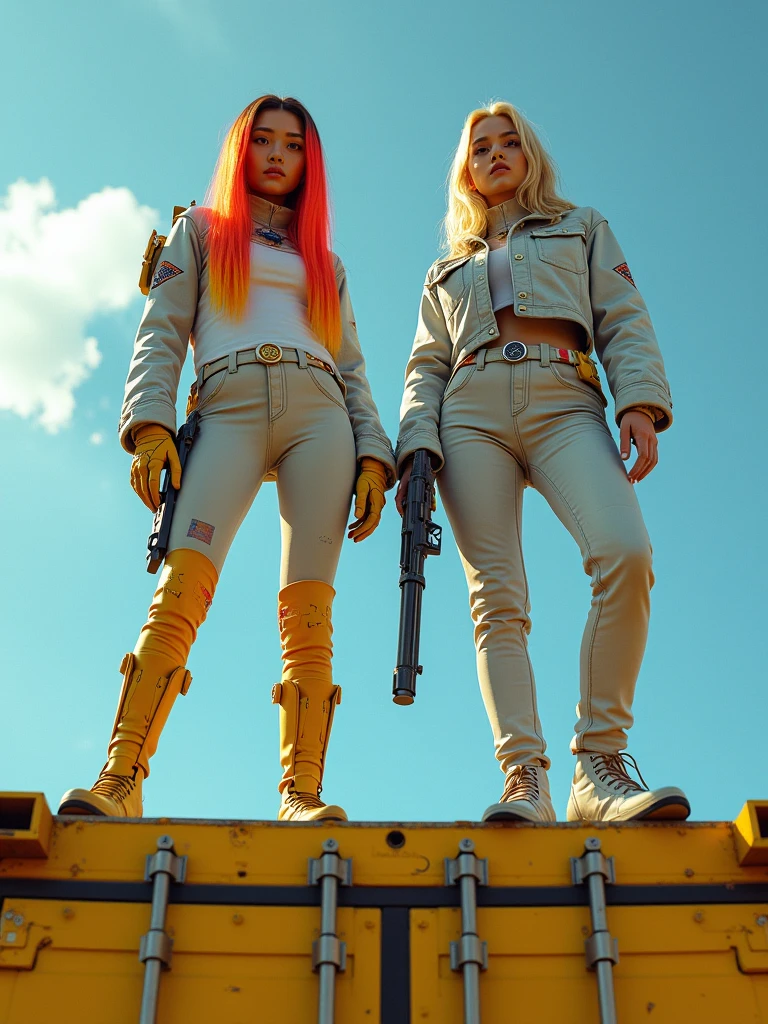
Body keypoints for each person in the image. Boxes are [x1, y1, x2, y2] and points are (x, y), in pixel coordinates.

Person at [58, 95, 395, 823]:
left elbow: (355, 369)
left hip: (322, 419)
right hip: (227, 410)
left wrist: (374, 457)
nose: (277, 154)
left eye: (293, 145)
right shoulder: (201, 231)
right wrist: (149, 425)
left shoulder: (325, 264)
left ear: (310, 162)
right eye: (264, 140)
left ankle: (300, 796)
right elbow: (161, 331)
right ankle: (121, 777)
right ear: (241, 150)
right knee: (181, 588)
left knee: (309, 614)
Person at [395, 101, 690, 823]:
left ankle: (599, 765)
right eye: (481, 148)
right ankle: (525, 777)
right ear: (465, 169)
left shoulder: (582, 226)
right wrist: (415, 448)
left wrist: (640, 402)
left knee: (624, 552)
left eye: (509, 144)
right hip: (468, 412)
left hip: (567, 398)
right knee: (497, 597)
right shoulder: (444, 271)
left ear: (529, 156)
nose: (495, 155)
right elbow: (425, 367)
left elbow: (622, 314)